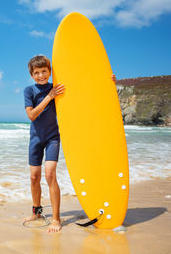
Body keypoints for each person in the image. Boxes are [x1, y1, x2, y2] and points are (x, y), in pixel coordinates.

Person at [23, 55, 116, 234]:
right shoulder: (29, 91)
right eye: (37, 73)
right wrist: (49, 97)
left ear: (50, 72)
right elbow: (32, 115)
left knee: (50, 175)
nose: (41, 75)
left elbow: (84, 89)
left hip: (52, 138)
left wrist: (107, 81)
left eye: (44, 71)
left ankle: (56, 219)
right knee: (34, 177)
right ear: (32, 75)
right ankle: (37, 213)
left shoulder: (57, 88)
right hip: (35, 139)